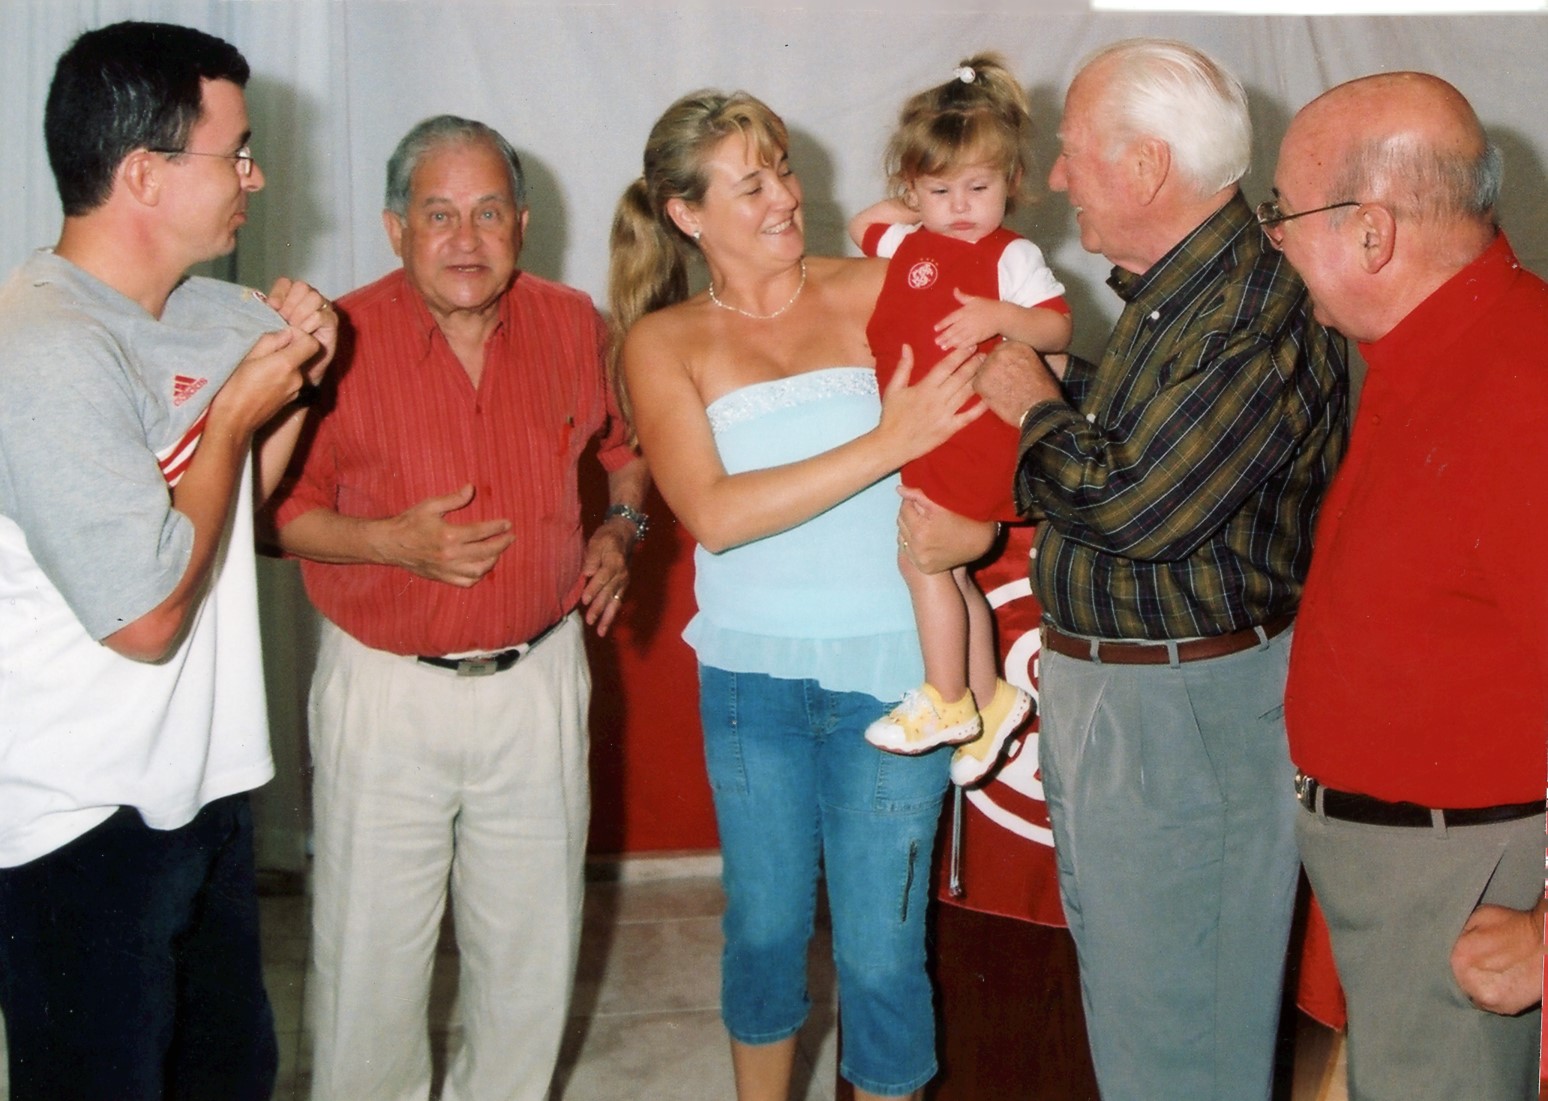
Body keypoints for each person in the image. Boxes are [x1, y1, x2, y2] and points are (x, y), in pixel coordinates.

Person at [970, 38, 1348, 1101]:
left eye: (1072, 151)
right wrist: (1071, 387)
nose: (1056, 176)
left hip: (1182, 711)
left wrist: (1035, 408)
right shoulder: (1185, 292)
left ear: (1144, 167)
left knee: (1184, 1040)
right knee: (1143, 1017)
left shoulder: (1249, 305)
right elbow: (1166, 437)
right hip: (1137, 695)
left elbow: (1138, 505)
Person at [609, 89, 985, 1101]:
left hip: (899, 677)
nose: (785, 195)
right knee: (766, 932)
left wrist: (976, 529)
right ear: (686, 213)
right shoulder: (664, 341)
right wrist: (886, 442)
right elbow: (715, 513)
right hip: (752, 683)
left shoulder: (877, 286)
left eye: (781, 167)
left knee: (881, 955)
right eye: (751, 183)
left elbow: (988, 426)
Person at [269, 116, 648, 1101]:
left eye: (487, 212)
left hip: (539, 681)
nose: (466, 239)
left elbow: (629, 450)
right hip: (386, 690)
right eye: (439, 215)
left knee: (530, 956)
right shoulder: (331, 344)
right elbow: (274, 515)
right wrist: (389, 542)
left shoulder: (573, 325)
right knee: (369, 965)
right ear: (395, 228)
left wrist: (622, 530)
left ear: (522, 223)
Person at [0, 20, 335, 1100]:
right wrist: (236, 416)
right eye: (235, 152)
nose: (255, 175)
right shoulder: (44, 346)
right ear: (144, 173)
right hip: (78, 821)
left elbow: (225, 523)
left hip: (205, 784)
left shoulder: (215, 312)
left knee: (228, 1076)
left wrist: (298, 381)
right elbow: (146, 621)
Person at [1271, 71, 1547, 1101]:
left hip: (1463, 886)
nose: (1273, 241)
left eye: (1282, 214)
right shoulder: (1438, 346)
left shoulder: (1522, 388)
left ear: (1371, 232)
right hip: (1408, 872)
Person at [847, 53, 1070, 788]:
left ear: (1012, 182)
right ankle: (989, 696)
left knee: (923, 561)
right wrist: (922, 206)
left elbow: (1057, 327)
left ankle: (947, 698)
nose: (962, 206)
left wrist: (1001, 316)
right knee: (942, 566)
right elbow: (863, 223)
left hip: (972, 431)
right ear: (912, 190)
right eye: (941, 190)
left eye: (980, 187)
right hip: (929, 430)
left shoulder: (1012, 254)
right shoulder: (912, 241)